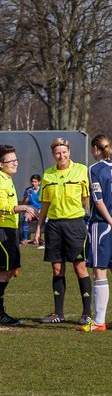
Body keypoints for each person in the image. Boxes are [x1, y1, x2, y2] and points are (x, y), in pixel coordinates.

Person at [38, 136, 93, 325]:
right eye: (57, 153)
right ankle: (58, 313)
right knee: (57, 268)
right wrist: (38, 228)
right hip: (54, 226)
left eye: (64, 152)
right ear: (53, 155)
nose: (61, 156)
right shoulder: (48, 175)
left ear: (69, 152)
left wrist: (90, 221)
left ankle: (86, 313)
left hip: (75, 224)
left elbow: (87, 200)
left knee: (80, 267)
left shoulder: (81, 171)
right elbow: (45, 204)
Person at [0, 144, 38, 327]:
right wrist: (22, 207)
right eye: (11, 161)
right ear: (1, 164)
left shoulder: (7, 179)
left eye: (16, 160)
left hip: (10, 229)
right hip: (1, 231)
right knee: (2, 271)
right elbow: (1, 206)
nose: (15, 163)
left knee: (8, 270)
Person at [83, 135, 112, 332]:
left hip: (102, 225)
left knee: (99, 270)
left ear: (95, 148)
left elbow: (98, 200)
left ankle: (99, 321)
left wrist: (110, 220)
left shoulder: (95, 169)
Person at [22, 174, 42, 245]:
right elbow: (24, 203)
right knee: (26, 218)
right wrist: (27, 196)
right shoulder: (28, 190)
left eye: (35, 182)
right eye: (32, 182)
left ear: (39, 182)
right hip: (31, 210)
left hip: (40, 210)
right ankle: (25, 238)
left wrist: (40, 210)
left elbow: (45, 202)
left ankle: (38, 238)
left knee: (42, 219)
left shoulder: (42, 190)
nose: (33, 183)